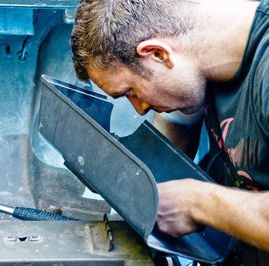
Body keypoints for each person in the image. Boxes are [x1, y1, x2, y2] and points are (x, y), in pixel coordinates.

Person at [70, 0, 269, 255]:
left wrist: (197, 203)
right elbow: (176, 125)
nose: (140, 109)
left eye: (130, 92)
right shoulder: (204, 53)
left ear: (158, 53)